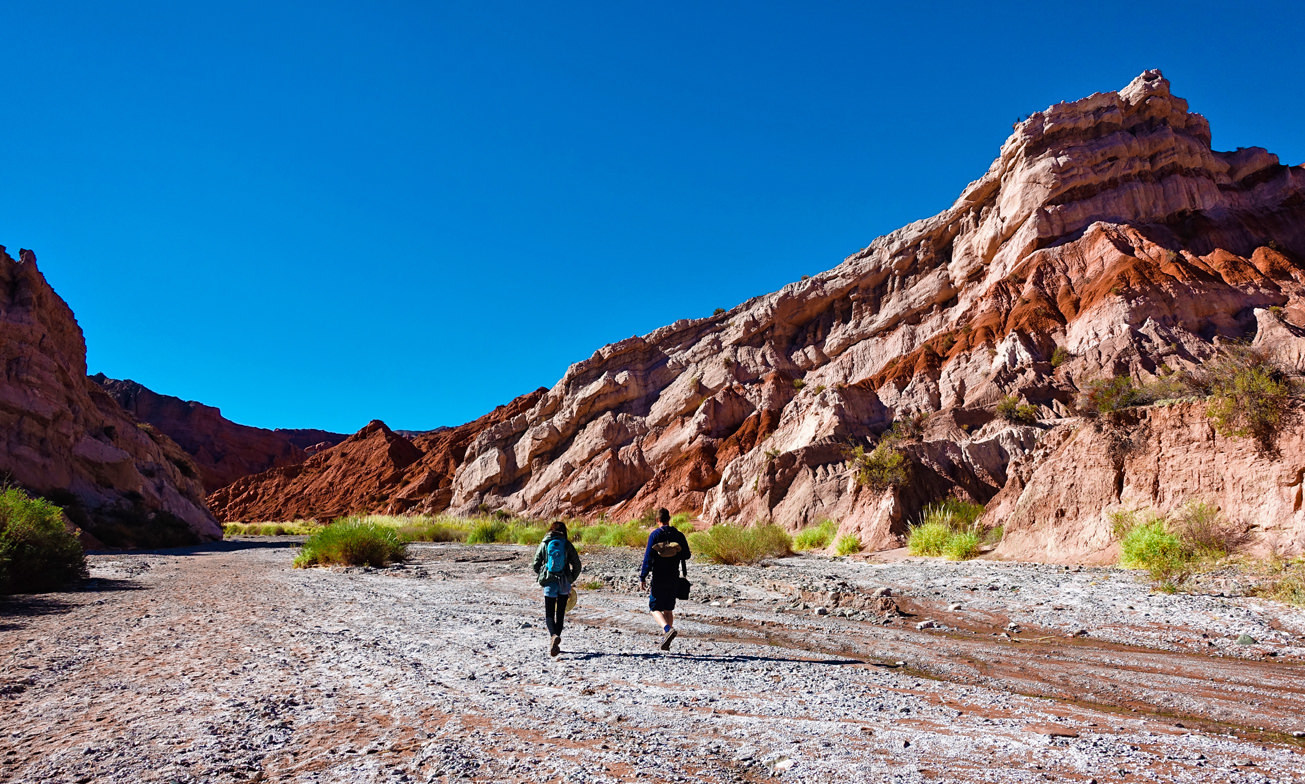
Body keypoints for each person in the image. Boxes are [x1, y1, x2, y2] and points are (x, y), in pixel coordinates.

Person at [639, 507, 691, 650]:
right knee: (668, 609)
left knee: (654, 608)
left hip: (659, 577)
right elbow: (687, 555)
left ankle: (667, 630)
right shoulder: (679, 535)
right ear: (669, 519)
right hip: (674, 577)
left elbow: (648, 558)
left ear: (657, 520)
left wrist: (643, 576)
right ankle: (665, 639)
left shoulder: (655, 535)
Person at [532, 520, 582, 658]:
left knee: (549, 614)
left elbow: (535, 564)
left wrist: (543, 572)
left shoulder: (545, 543)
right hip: (564, 583)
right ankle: (556, 640)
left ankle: (553, 636)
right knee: (560, 613)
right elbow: (577, 564)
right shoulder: (566, 544)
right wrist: (570, 578)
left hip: (549, 582)